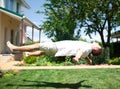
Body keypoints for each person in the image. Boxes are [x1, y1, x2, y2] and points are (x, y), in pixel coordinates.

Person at [7, 40, 102, 65]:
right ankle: (29, 54)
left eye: (98, 46)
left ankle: (15, 48)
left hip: (56, 47)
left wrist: (77, 57)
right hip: (57, 51)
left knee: (36, 46)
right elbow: (85, 55)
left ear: (96, 49)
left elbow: (81, 52)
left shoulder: (87, 47)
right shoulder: (88, 49)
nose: (97, 43)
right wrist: (89, 61)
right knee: (42, 52)